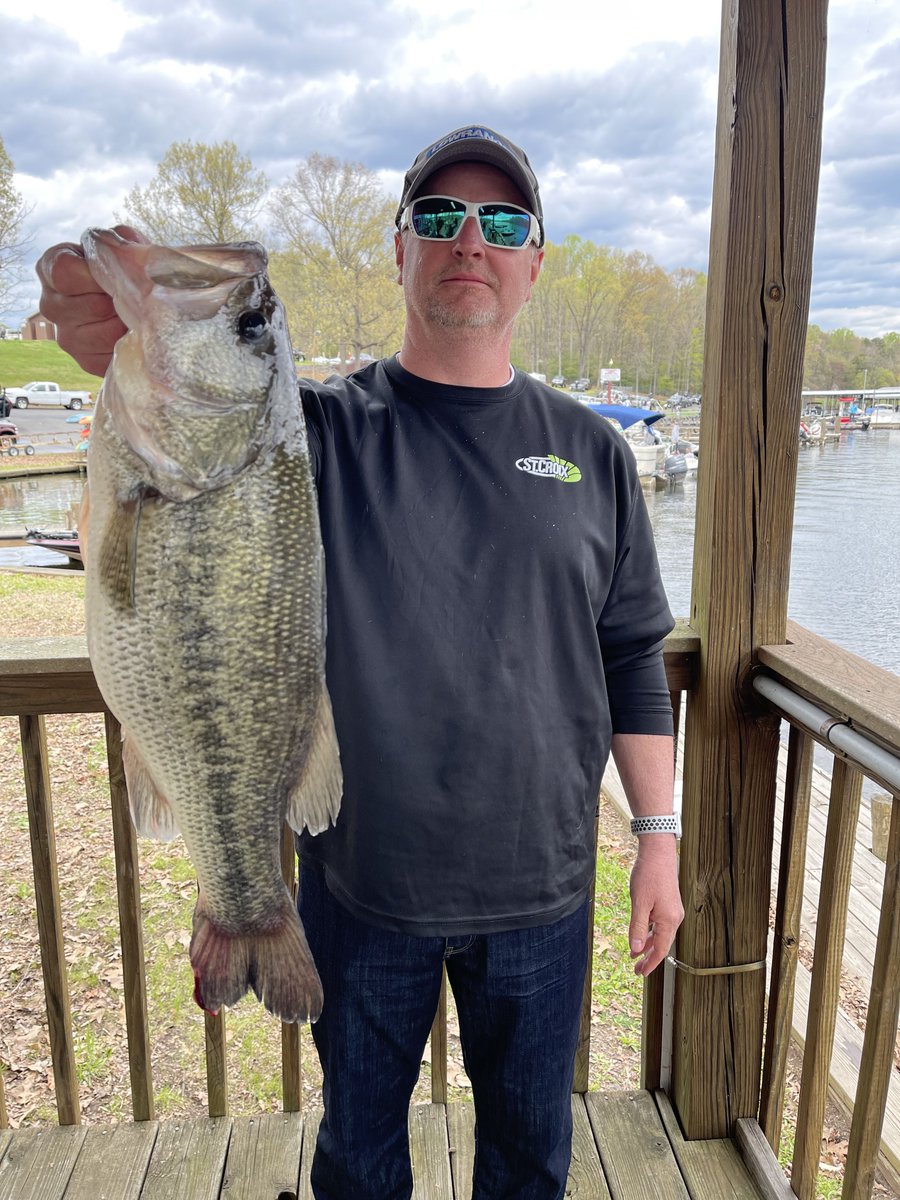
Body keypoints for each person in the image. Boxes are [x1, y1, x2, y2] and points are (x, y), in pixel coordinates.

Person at [37, 123, 684, 1200]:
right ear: (398, 252)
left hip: (544, 885)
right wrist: (86, 298)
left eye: (500, 222)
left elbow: (630, 656)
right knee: (358, 1155)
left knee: (532, 1161)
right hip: (359, 880)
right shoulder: (316, 433)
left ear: (534, 261)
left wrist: (655, 839)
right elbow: (160, 387)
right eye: (437, 218)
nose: (467, 239)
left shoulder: (595, 452)